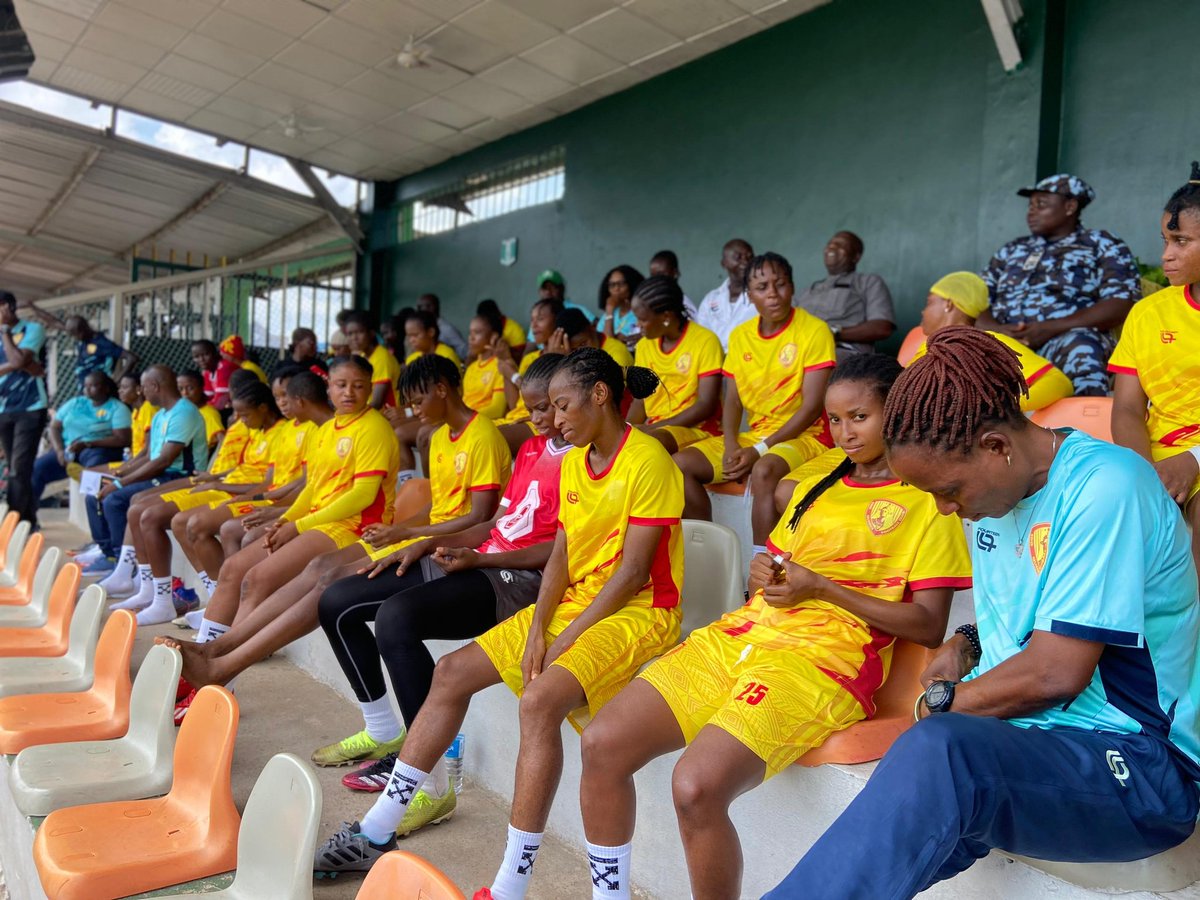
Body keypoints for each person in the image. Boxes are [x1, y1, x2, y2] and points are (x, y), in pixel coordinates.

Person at [766, 326, 1200, 899]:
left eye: (949, 490)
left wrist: (941, 702)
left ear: (997, 446)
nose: (947, 510)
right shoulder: (994, 497)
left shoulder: (1105, 487)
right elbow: (1037, 616)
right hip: (1032, 741)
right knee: (905, 826)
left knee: (939, 748)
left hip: (1140, 765)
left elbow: (1054, 673)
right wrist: (969, 639)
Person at [580, 353, 971, 900]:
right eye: (834, 421)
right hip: (741, 636)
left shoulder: (929, 504)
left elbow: (930, 627)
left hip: (820, 663)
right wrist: (767, 573)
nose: (844, 433)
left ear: (898, 412)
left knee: (695, 788)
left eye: (859, 417)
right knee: (601, 744)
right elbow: (780, 571)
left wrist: (823, 589)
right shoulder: (816, 484)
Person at [312, 348, 681, 900]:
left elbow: (630, 575)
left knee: (537, 701)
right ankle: (376, 830)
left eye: (562, 406)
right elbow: (562, 554)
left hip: (639, 611)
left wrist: (566, 637)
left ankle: (510, 885)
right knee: (451, 673)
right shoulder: (578, 460)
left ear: (599, 395)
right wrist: (538, 628)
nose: (554, 420)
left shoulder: (647, 459)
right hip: (575, 603)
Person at [316, 354, 569, 806]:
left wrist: (479, 561)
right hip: (481, 556)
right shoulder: (532, 448)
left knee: (397, 619)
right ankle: (384, 733)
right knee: (337, 602)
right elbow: (494, 523)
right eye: (532, 409)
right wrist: (426, 542)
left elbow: (564, 549)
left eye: (546, 408)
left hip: (515, 578)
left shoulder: (585, 458)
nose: (536, 420)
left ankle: (426, 780)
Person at [162, 355, 398, 718]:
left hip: (352, 527)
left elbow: (362, 496)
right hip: (319, 521)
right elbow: (313, 488)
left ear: (370, 387)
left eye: (359, 385)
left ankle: (219, 679)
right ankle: (204, 657)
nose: (349, 392)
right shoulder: (327, 430)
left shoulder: (374, 428)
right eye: (341, 385)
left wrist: (298, 526)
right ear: (329, 387)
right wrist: (286, 518)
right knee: (235, 570)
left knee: (258, 577)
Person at [675, 252, 835, 551]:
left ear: (792, 287)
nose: (773, 294)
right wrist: (733, 444)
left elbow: (812, 406)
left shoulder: (814, 331)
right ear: (750, 295)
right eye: (762, 287)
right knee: (680, 464)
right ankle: (711, 552)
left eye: (781, 284)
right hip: (756, 435)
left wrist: (760, 449)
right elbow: (732, 401)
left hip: (807, 436)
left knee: (764, 471)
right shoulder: (740, 336)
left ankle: (760, 569)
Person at [119, 378, 286, 625]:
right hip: (227, 487)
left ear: (262, 408)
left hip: (241, 494)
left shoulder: (283, 432)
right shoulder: (257, 430)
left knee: (183, 522)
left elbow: (268, 484)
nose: (239, 420)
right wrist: (215, 477)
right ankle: (208, 598)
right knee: (149, 512)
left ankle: (220, 602)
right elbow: (242, 467)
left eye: (244, 414)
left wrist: (220, 485)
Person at [1110, 162, 1200, 573]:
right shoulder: (1147, 313)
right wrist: (1145, 478)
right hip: (1153, 458)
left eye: (1181, 240)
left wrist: (1192, 461)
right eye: (1165, 239)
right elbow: (1127, 408)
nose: (1166, 255)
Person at [979, 173, 1141, 396]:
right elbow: (977, 300)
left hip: (1064, 338)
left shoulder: (1101, 243)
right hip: (1003, 342)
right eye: (1030, 205)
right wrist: (995, 330)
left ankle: (1083, 427)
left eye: (1041, 204)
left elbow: (1120, 303)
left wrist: (1049, 328)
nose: (1031, 211)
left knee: (1082, 347)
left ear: (1070, 206)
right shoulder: (1012, 249)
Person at [193, 371, 332, 593]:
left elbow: (306, 483)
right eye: (278, 397)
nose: (282, 402)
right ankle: (223, 596)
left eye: (286, 395)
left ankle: (234, 598)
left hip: (294, 504)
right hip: (279, 499)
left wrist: (271, 505)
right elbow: (271, 480)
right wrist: (251, 497)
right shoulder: (288, 429)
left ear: (302, 397)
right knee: (209, 525)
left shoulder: (315, 428)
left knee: (237, 531)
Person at [83, 366, 208, 578]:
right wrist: (121, 474)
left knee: (116, 500)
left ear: (155, 386)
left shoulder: (184, 412)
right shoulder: (161, 415)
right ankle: (112, 557)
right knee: (95, 490)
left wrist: (120, 483)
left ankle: (124, 567)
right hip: (162, 473)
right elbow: (150, 454)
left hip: (182, 477)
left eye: (144, 386)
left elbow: (165, 460)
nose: (142, 391)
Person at [912, 272, 1073, 411]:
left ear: (948, 304)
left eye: (929, 302)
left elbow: (1058, 381)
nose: (923, 310)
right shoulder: (926, 347)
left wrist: (999, 408)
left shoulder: (987, 343)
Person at [627, 275, 723, 453]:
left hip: (698, 430)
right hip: (656, 430)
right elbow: (640, 402)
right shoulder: (643, 346)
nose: (638, 326)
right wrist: (625, 431)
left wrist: (652, 429)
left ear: (666, 316)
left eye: (643, 319)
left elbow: (705, 405)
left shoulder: (705, 341)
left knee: (649, 445)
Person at [33, 372, 130, 507]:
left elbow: (122, 439)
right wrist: (60, 451)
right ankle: (28, 516)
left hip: (97, 449)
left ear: (106, 388)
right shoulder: (75, 402)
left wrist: (88, 444)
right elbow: (54, 427)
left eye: (94, 385)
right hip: (68, 449)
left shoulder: (117, 408)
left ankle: (96, 504)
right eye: (86, 385)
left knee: (94, 471)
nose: (88, 389)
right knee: (37, 468)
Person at [794, 231, 895, 360]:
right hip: (799, 349)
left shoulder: (868, 282)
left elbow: (882, 328)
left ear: (855, 257)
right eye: (829, 243)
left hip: (843, 350)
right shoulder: (807, 291)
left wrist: (833, 333)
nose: (832, 246)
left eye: (840, 244)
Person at [0, 290, 49, 527]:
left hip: (31, 406)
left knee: (19, 469)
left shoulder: (33, 329)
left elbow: (19, 361)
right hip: (3, 407)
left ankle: (15, 523)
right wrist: (25, 365)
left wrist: (5, 332)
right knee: (17, 468)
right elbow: (21, 363)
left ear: (8, 307)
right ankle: (29, 520)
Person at [495, 298, 560, 456]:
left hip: (534, 423)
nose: (534, 325)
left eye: (541, 319)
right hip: (514, 418)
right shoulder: (529, 358)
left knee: (488, 439)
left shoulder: (562, 359)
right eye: (532, 320)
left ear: (557, 322)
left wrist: (514, 375)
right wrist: (507, 363)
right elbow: (513, 404)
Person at [695, 239, 755, 350]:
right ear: (724, 263)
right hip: (715, 361)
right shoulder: (710, 299)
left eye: (749, 257)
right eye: (738, 257)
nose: (746, 262)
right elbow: (701, 336)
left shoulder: (761, 296)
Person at [344, 310, 400, 409]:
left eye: (359, 332)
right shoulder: (362, 355)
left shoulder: (381, 358)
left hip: (389, 414)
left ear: (371, 333)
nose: (354, 338)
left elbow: (377, 403)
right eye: (350, 334)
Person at [63, 315, 138, 388]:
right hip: (85, 389)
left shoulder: (101, 343)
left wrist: (116, 382)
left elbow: (131, 358)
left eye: (74, 334)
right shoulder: (84, 342)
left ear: (81, 331)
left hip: (99, 391)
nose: (73, 338)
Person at [547, 307, 634, 369]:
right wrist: (559, 360)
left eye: (583, 344)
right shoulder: (568, 355)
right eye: (573, 349)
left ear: (592, 327)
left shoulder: (617, 355)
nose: (580, 353)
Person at [176, 370, 226, 452]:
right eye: (180, 389)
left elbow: (222, 441)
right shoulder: (185, 413)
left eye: (190, 388)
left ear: (201, 387)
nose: (185, 393)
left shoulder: (209, 414)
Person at [597, 265, 645, 344]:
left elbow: (611, 343)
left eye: (621, 284)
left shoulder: (638, 314)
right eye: (612, 285)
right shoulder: (611, 312)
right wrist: (609, 312)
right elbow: (600, 340)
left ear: (631, 285)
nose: (616, 289)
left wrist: (609, 311)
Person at [648, 250, 700, 319]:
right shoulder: (651, 303)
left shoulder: (684, 305)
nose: (656, 280)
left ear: (675, 273)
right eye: (653, 276)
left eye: (660, 275)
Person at [417, 293, 469, 361]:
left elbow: (465, 352)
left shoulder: (446, 328)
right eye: (419, 307)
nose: (423, 309)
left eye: (428, 306)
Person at [192, 339, 239, 411]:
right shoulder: (207, 371)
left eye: (206, 354)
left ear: (215, 353)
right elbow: (207, 396)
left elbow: (220, 402)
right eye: (197, 357)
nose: (201, 359)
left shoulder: (224, 367)